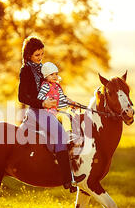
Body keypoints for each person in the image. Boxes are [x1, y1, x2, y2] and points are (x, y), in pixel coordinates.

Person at [18, 36, 85, 192]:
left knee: (67, 130)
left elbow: (54, 92)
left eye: (42, 54)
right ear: (28, 55)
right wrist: (42, 103)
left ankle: (61, 166)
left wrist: (70, 102)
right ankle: (68, 180)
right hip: (37, 111)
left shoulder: (43, 69)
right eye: (37, 55)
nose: (40, 58)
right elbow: (22, 97)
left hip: (49, 111)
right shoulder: (26, 70)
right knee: (61, 134)